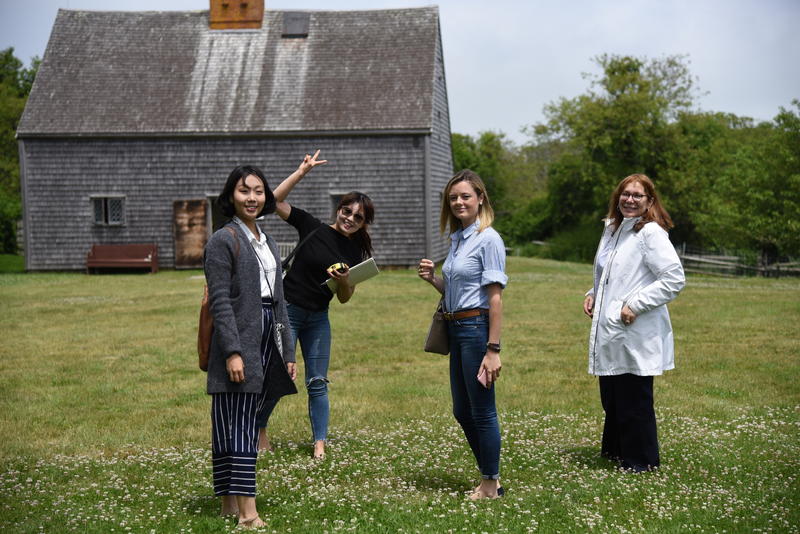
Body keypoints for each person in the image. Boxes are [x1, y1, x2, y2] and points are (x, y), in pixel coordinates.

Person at [256, 151, 375, 460]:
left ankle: (320, 443)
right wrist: (301, 172)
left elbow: (344, 297)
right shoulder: (312, 226)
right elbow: (272, 203)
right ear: (339, 209)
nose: (349, 218)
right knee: (279, 373)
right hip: (289, 311)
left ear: (364, 223)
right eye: (346, 211)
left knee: (318, 380)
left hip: (319, 318)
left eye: (357, 217)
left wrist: (346, 281)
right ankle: (260, 429)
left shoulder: (355, 253)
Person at [203, 165, 297, 528]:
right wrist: (232, 351)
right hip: (239, 338)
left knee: (238, 422)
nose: (253, 198)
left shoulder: (268, 241)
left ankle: (229, 505)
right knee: (238, 426)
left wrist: (287, 351)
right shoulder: (223, 240)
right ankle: (247, 514)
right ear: (231, 196)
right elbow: (220, 301)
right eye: (245, 191)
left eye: (259, 191)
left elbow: (280, 302)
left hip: (266, 335)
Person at [583, 173, 685, 472]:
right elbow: (609, 271)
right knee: (612, 395)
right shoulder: (613, 228)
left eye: (637, 196)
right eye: (625, 194)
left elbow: (674, 279)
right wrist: (593, 292)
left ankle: (641, 462)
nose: (630, 200)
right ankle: (615, 451)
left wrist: (636, 304)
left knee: (633, 399)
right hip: (611, 326)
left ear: (649, 201)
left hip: (634, 328)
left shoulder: (650, 233)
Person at [417, 169, 508, 500]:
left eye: (465, 196)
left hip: (475, 331)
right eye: (453, 197)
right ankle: (490, 476)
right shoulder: (458, 239)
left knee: (482, 409)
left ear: (480, 198)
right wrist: (434, 280)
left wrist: (493, 349)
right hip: (456, 328)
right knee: (462, 410)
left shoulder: (488, 239)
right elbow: (459, 290)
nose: (458, 202)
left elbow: (494, 299)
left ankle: (489, 482)